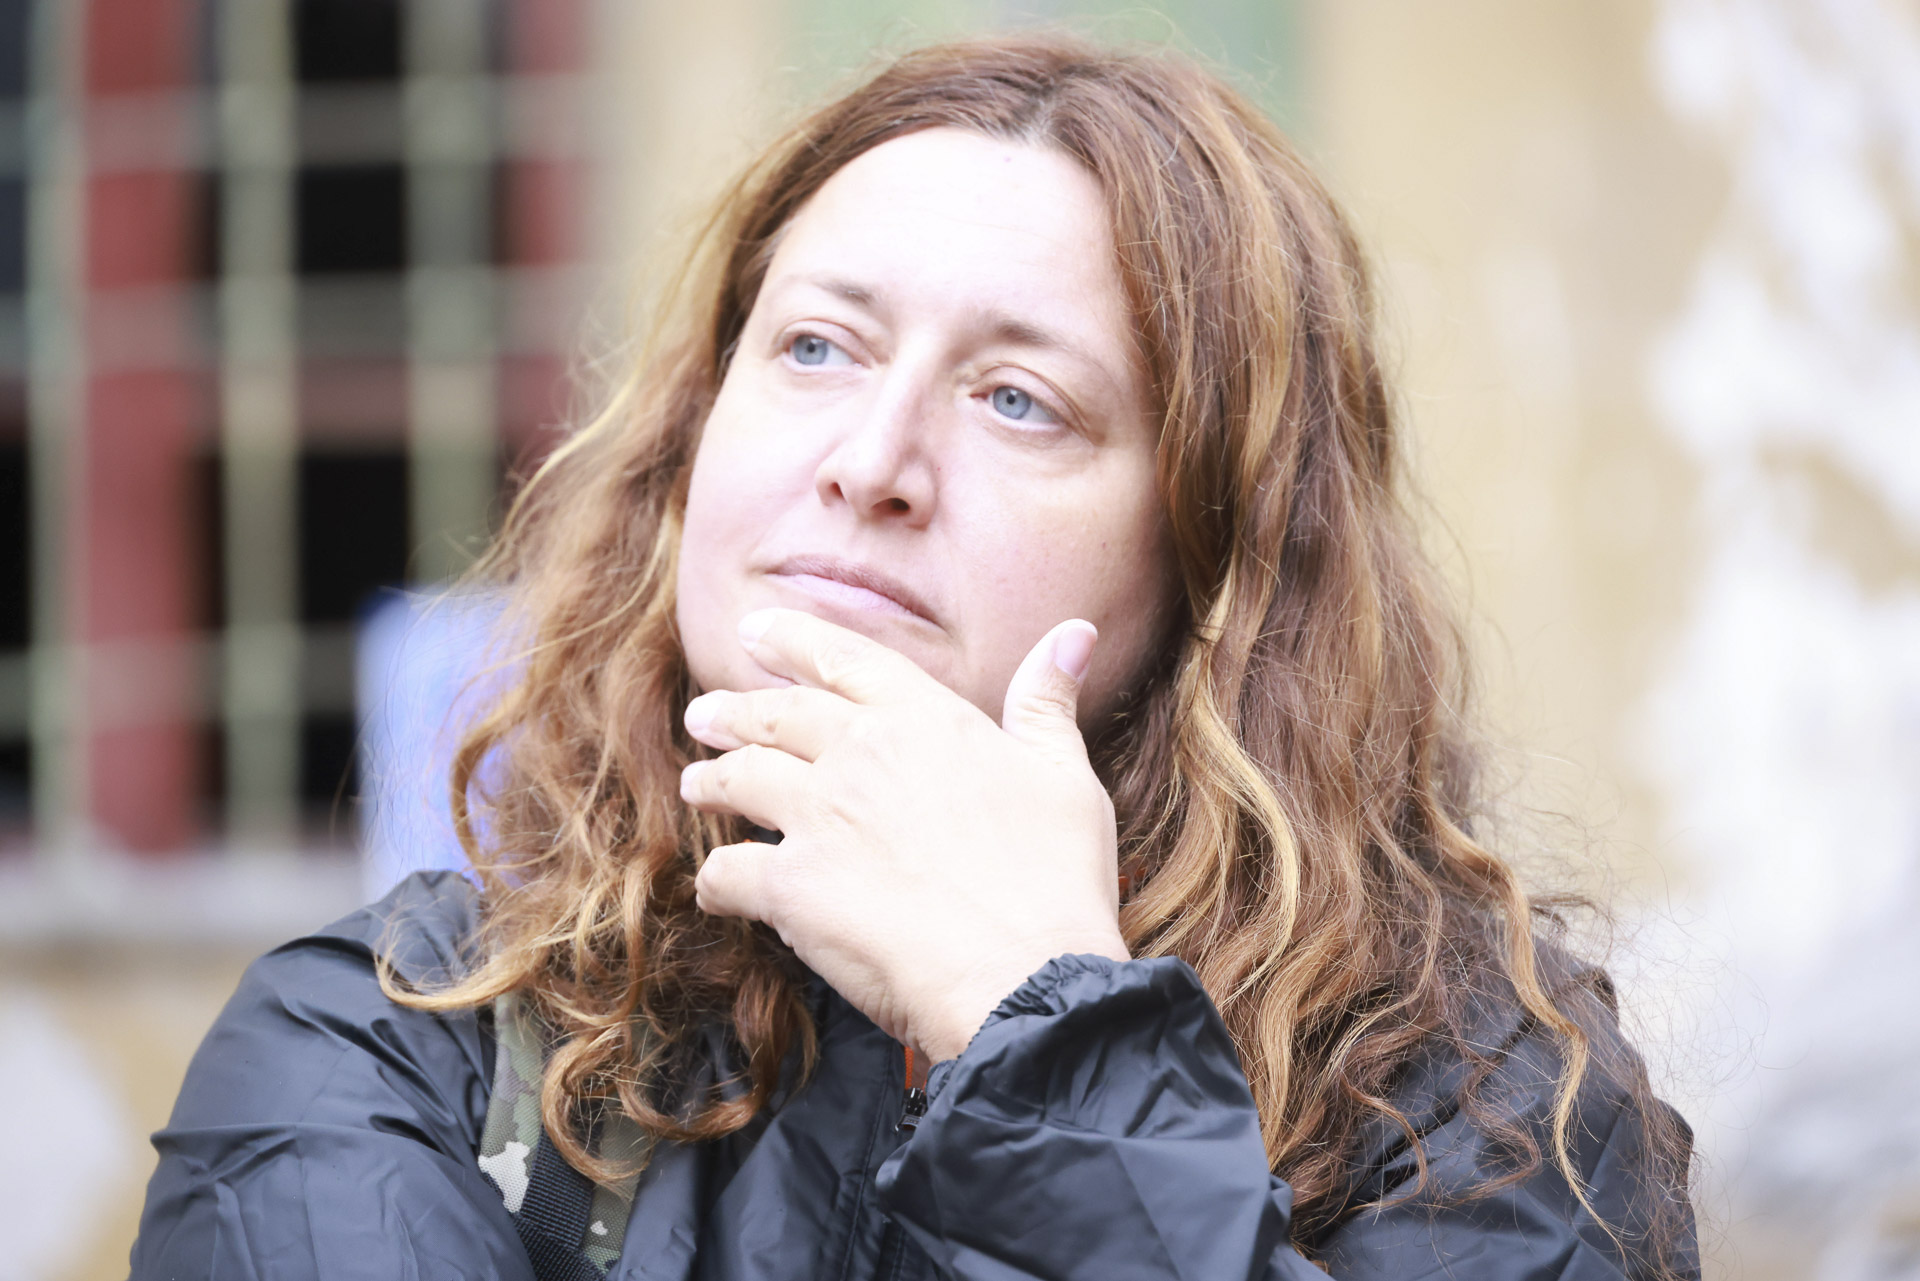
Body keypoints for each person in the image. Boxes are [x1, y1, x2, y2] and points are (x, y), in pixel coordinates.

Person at [130, 34, 1697, 1281]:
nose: (871, 459)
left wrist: (1050, 1034)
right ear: (693, 439)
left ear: (1214, 563)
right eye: (817, 346)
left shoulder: (1482, 1107)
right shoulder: (398, 1040)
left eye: (1020, 399)